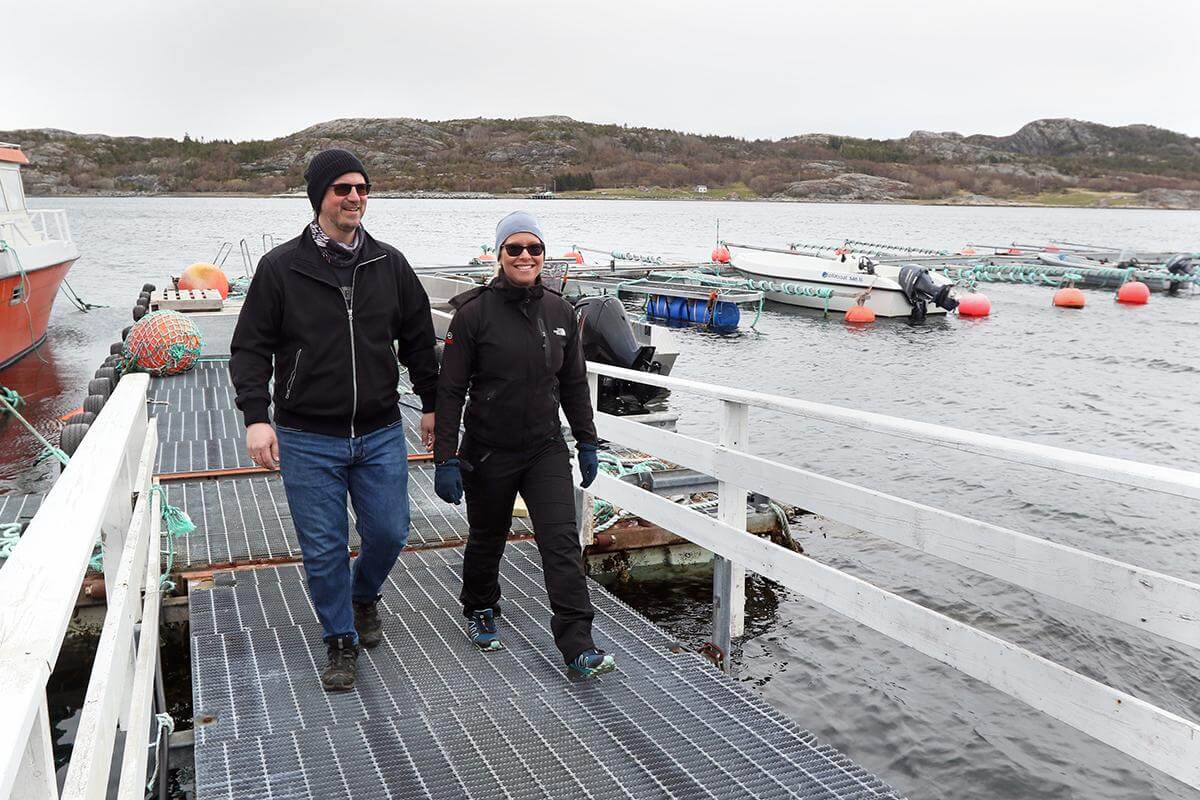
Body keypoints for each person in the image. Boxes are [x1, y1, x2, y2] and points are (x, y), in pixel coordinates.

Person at [229, 148, 438, 692]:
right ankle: (339, 638)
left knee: (390, 532)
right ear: (319, 197)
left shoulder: (388, 264)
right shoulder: (281, 268)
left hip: (379, 430)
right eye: (342, 188)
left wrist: (434, 403)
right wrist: (257, 416)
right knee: (323, 547)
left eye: (362, 189)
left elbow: (418, 338)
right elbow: (250, 348)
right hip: (307, 435)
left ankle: (363, 595)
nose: (354, 197)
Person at [433, 211, 615, 678]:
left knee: (559, 542)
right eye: (514, 249)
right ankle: (479, 607)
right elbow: (450, 390)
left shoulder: (560, 312)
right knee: (488, 536)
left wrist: (588, 441)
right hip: (489, 448)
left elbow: (573, 383)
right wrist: (447, 458)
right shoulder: (473, 314)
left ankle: (578, 643)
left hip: (544, 448)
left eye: (534, 249)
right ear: (499, 255)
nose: (525, 257)